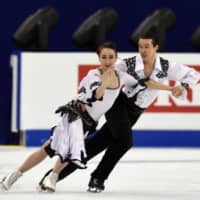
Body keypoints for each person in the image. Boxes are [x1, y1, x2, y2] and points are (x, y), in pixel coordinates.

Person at [37, 31, 200, 193]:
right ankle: (98, 178)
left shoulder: (166, 66)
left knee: (97, 144)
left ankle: (53, 176)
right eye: (140, 46)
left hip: (136, 112)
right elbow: (103, 71)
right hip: (118, 105)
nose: (143, 50)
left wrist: (183, 87)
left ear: (156, 47)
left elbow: (194, 75)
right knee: (124, 141)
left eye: (147, 46)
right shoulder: (127, 64)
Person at [0, 41, 173, 192]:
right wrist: (104, 84)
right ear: (99, 59)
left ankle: (47, 176)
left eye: (111, 57)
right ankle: (18, 175)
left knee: (59, 149)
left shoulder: (122, 76)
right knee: (51, 149)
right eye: (104, 57)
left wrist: (171, 88)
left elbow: (145, 82)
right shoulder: (93, 75)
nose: (107, 61)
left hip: (90, 123)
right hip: (77, 117)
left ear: (116, 58)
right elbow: (96, 95)